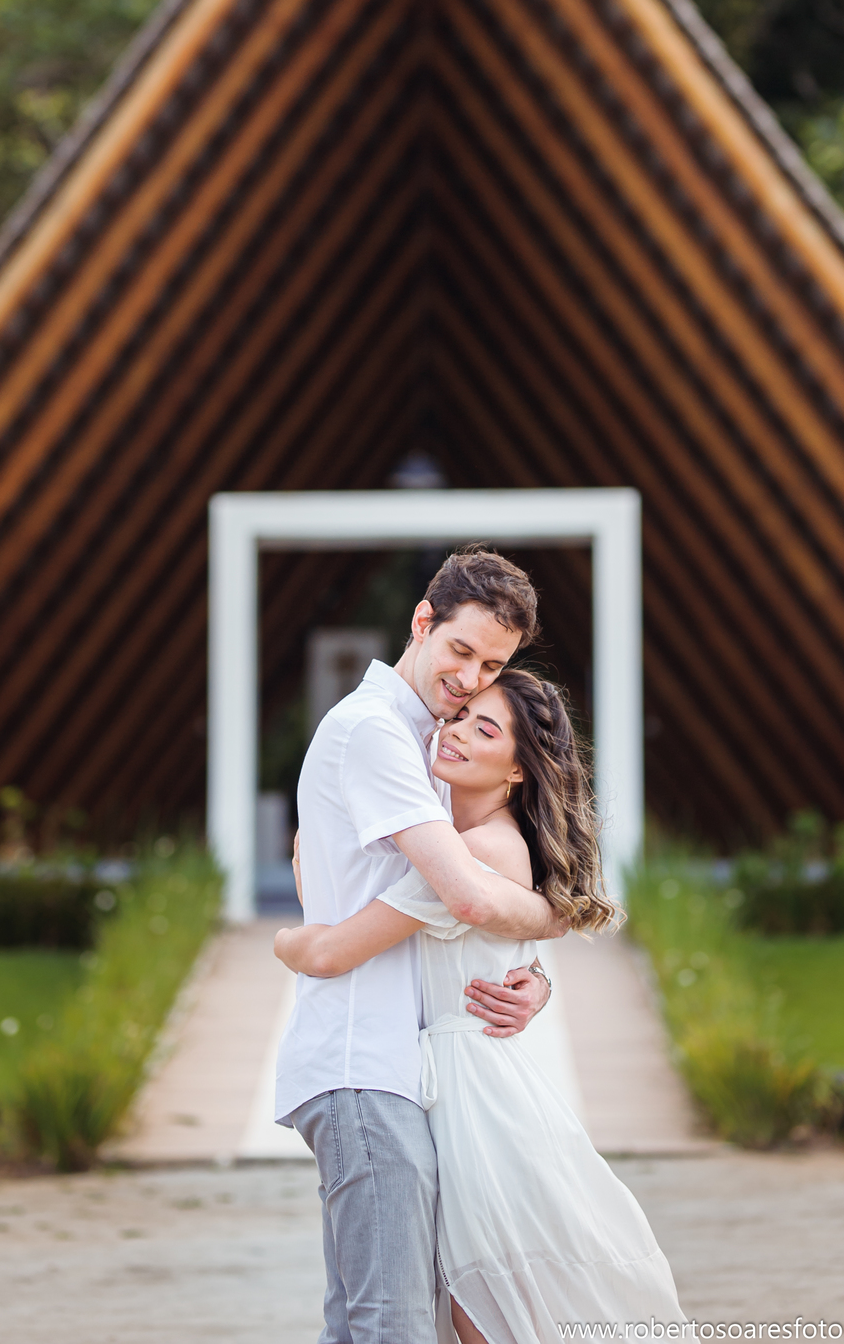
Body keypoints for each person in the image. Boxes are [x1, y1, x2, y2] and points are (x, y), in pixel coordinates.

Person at [276, 666, 687, 1344]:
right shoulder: (446, 826)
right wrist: (540, 967)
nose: (458, 730)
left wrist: (290, 942)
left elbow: (330, 945)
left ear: (518, 770)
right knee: (464, 1303)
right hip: (455, 1081)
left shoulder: (474, 851)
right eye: (463, 715)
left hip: (477, 1101)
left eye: (485, 728)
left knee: (481, 1309)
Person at [273, 547, 567, 1344]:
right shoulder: (375, 731)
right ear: (422, 622)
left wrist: (533, 974)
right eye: (461, 650)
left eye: (493, 665)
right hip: (363, 1065)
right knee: (391, 1327)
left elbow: (330, 866)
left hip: (398, 1071)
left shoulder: (425, 741)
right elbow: (465, 891)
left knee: (371, 1324)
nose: (471, 677)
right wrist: (560, 914)